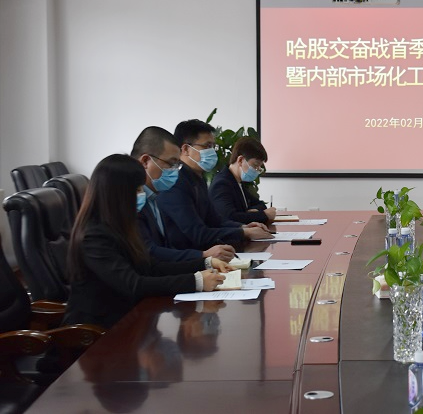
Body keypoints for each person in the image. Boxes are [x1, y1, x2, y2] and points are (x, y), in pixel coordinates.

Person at [64, 154, 230, 329]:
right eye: (136, 190)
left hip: (129, 318)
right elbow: (133, 284)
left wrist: (205, 263)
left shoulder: (122, 225)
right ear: (117, 194)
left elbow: (151, 267)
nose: (142, 195)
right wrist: (196, 281)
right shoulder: (93, 236)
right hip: (96, 332)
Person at [157, 119, 272, 251]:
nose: (212, 151)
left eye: (213, 146)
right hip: (189, 257)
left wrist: (243, 227)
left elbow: (216, 221)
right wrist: (243, 233)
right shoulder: (175, 183)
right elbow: (199, 233)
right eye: (207, 146)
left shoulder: (198, 179)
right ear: (186, 149)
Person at [131, 126, 235, 262]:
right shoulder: (132, 201)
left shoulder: (154, 196)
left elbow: (167, 248)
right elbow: (150, 252)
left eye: (177, 164)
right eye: (170, 164)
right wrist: (203, 257)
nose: (174, 170)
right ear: (145, 161)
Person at [209, 136, 277, 225]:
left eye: (259, 167)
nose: (256, 170)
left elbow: (261, 204)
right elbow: (229, 218)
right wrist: (264, 215)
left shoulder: (237, 182)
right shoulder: (222, 184)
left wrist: (255, 211)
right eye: (255, 165)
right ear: (240, 160)